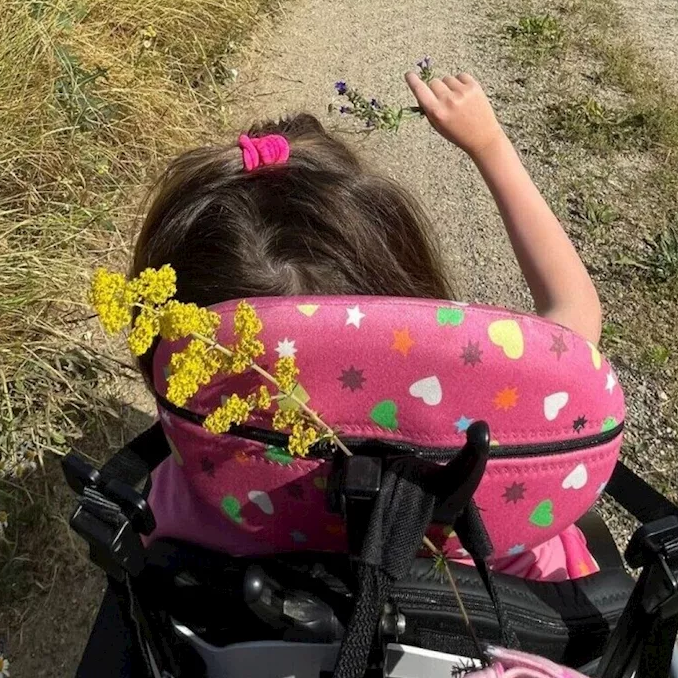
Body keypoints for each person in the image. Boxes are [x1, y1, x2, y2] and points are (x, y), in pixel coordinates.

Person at [132, 72, 603, 582]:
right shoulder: (495, 473)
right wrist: (489, 144)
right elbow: (574, 323)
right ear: (408, 293)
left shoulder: (183, 494)